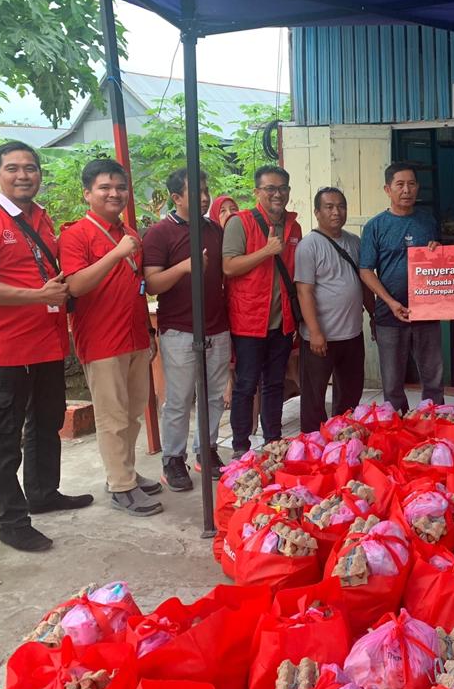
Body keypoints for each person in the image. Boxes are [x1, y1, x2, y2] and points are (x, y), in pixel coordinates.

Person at [0, 141, 93, 552]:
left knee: (46, 424)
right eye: (13, 168)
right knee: (4, 439)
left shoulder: (42, 219)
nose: (23, 175)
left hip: (48, 346)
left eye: (30, 168)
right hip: (7, 351)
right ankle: (12, 521)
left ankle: (43, 493)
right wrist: (38, 295)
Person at [59, 158, 162, 517]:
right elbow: (76, 285)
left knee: (132, 413)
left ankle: (125, 473)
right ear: (87, 193)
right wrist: (117, 254)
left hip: (134, 336)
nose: (114, 193)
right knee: (112, 416)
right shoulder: (76, 235)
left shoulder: (128, 232)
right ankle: (121, 486)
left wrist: (148, 331)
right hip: (102, 341)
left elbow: (138, 287)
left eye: (120, 187)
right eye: (105, 187)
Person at [142, 168, 229, 491]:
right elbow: (152, 284)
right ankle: (173, 459)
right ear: (176, 198)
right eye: (196, 192)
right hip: (179, 329)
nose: (204, 197)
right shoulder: (160, 233)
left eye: (206, 190)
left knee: (214, 395)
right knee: (179, 399)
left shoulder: (213, 229)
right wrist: (184, 267)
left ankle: (206, 449)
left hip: (217, 325)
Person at [223, 166, 302, 455]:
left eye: (282, 188)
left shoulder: (294, 226)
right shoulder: (240, 223)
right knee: (246, 386)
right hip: (248, 321)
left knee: (274, 384)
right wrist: (266, 251)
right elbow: (229, 266)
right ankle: (240, 447)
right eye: (270, 188)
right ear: (257, 192)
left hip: (282, 323)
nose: (277, 194)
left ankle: (273, 441)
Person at [359, 162, 444, 413]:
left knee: (433, 379)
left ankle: (434, 423)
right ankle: (397, 427)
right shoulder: (375, 226)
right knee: (392, 383)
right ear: (388, 189)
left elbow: (441, 263)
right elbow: (366, 270)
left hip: (427, 313)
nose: (406, 190)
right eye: (400, 184)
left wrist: (438, 252)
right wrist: (390, 302)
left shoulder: (428, 221)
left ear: (417, 187)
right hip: (389, 314)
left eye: (411, 184)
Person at [295, 187, 374, 432]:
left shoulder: (354, 242)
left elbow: (364, 283)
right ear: (317, 212)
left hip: (352, 334)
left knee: (350, 393)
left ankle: (343, 439)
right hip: (321, 338)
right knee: (314, 397)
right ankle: (313, 442)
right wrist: (315, 332)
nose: (336, 212)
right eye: (329, 207)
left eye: (341, 206)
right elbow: (304, 292)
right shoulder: (309, 246)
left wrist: (374, 315)